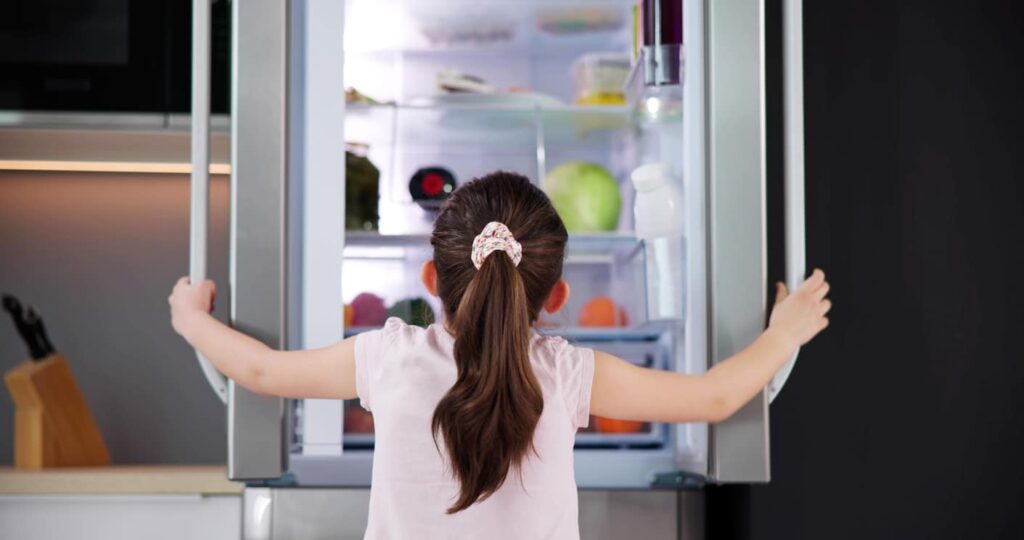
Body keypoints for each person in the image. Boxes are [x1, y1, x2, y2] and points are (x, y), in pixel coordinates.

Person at [169, 171, 830, 539]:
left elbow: (260, 371)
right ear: (558, 297)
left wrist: (192, 319)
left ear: (432, 283)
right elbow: (712, 397)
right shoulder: (566, 373)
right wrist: (784, 333)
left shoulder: (386, 358)